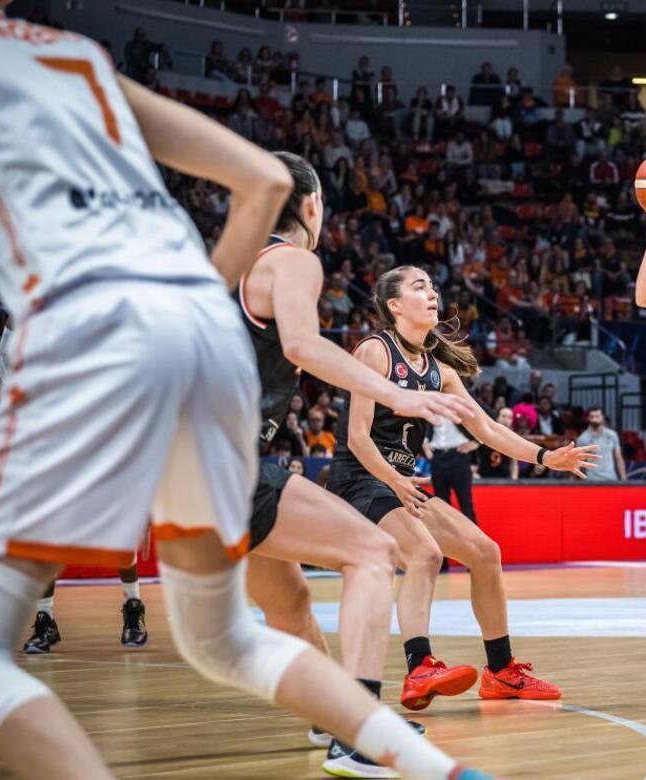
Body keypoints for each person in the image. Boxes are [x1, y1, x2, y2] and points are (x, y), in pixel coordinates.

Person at [0, 6, 485, 780]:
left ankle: (358, 740)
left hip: (113, 346)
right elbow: (267, 209)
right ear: (318, 207)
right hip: (190, 363)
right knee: (241, 626)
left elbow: (260, 191)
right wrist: (396, 394)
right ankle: (390, 750)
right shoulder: (76, 59)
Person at [235, 152, 480, 775]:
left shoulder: (232, 264)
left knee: (288, 600)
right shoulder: (292, 258)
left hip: (178, 470)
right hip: (224, 458)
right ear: (311, 205)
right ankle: (358, 734)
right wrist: (396, 394)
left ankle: (333, 711)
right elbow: (301, 343)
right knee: (375, 554)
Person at [328, 266, 598, 713]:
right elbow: (357, 437)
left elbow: (488, 428)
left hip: (401, 485)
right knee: (427, 554)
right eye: (419, 288)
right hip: (360, 478)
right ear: (395, 305)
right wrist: (395, 480)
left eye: (433, 286)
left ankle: (501, 672)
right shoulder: (374, 351)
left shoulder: (440, 372)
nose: (432, 293)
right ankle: (419, 667)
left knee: (485, 551)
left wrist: (545, 457)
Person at [427, 417, 479, 523]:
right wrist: (424, 442)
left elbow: (489, 416)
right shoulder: (430, 403)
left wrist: (477, 442)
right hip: (437, 456)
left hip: (459, 455)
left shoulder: (461, 401)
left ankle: (471, 537)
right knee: (441, 505)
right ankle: (445, 538)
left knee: (465, 503)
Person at [575, 407, 626, 481]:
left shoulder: (612, 435)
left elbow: (618, 457)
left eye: (597, 416)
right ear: (589, 418)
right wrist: (580, 481)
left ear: (602, 417)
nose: (595, 419)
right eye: (592, 417)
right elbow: (578, 462)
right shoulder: (582, 438)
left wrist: (623, 477)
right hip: (592, 480)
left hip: (611, 479)